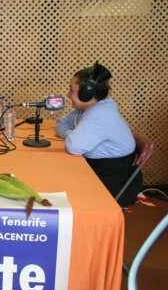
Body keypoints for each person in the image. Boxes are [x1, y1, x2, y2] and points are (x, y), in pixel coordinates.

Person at [54, 62, 141, 206]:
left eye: (71, 90)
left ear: (86, 93)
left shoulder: (100, 113)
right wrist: (72, 133)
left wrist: (73, 135)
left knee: (57, 179)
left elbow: (73, 146)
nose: (68, 94)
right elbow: (60, 124)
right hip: (98, 169)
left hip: (113, 180)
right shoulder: (85, 109)